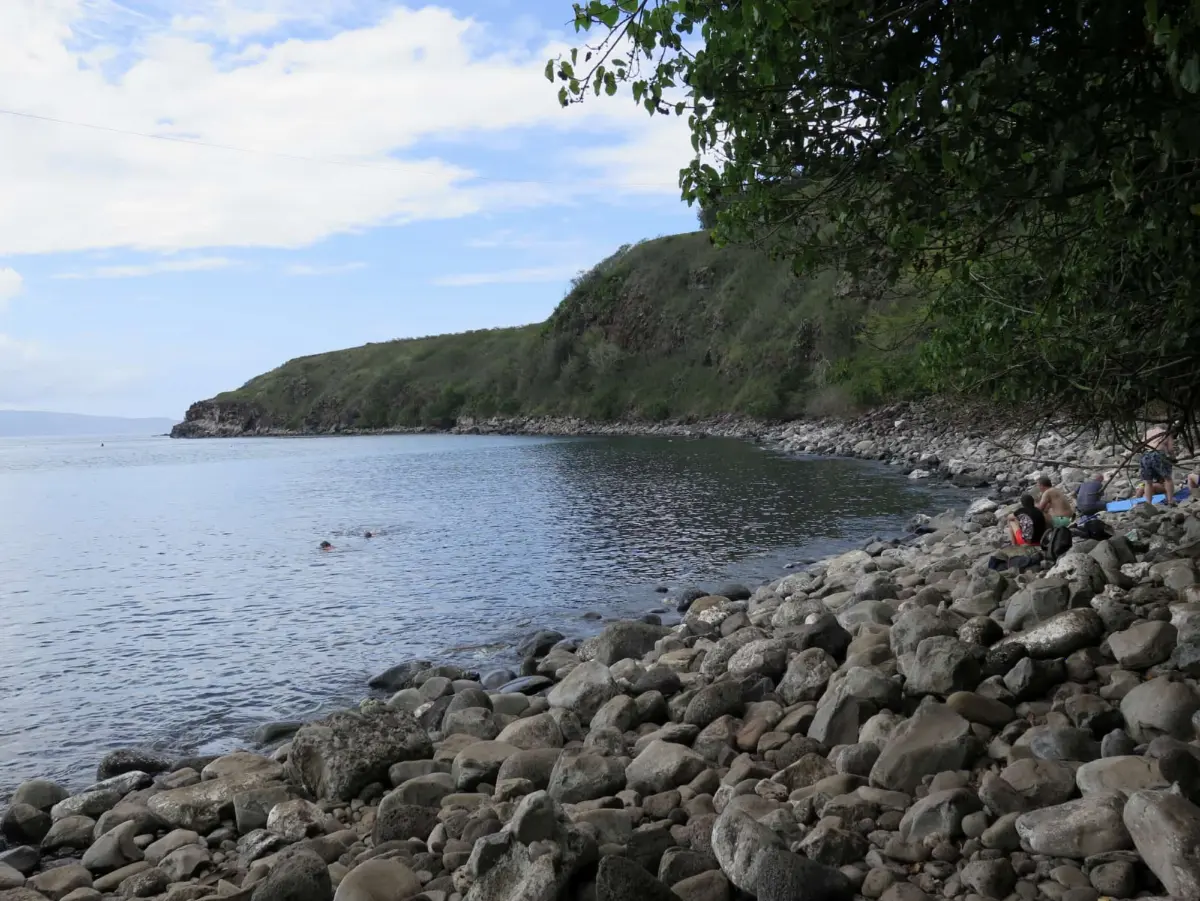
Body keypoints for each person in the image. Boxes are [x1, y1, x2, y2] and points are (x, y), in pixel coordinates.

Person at [1141, 425, 1176, 506]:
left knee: (1148, 482)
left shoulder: (1147, 433)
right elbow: (1171, 449)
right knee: (1168, 478)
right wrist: (1173, 458)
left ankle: (1148, 503)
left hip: (1145, 455)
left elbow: (1142, 446)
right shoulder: (1166, 433)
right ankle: (1171, 501)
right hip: (1158, 454)